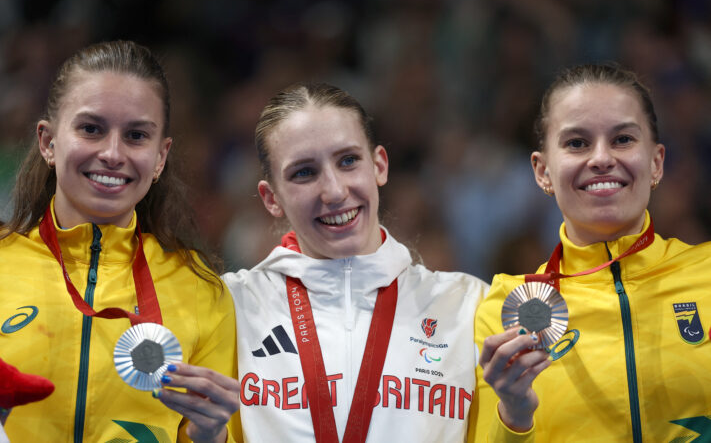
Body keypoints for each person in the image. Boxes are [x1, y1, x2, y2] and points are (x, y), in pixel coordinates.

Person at [223, 82, 544, 442]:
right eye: (304, 173)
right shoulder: (231, 307)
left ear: (379, 165)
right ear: (271, 198)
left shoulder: (467, 306)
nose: (334, 191)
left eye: (348, 161)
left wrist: (516, 416)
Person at [0, 40, 240, 442]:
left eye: (136, 135)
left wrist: (210, 436)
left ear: (160, 157)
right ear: (47, 142)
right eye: (91, 129)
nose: (113, 153)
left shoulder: (202, 292)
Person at [473, 64, 711, 442]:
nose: (601, 158)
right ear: (543, 171)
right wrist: (514, 415)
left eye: (623, 139)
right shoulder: (504, 309)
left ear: (656, 162)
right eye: (577, 143)